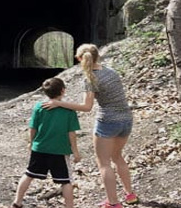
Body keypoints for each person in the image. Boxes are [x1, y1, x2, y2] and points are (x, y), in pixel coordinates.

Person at [43, 43, 139, 207]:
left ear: (80, 59)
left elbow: (87, 107)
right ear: (97, 56)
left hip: (107, 122)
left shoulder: (90, 78)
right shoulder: (111, 72)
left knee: (104, 163)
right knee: (117, 157)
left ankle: (113, 202)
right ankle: (130, 195)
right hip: (126, 119)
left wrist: (60, 103)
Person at [9, 77, 81, 208]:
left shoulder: (39, 107)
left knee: (29, 174)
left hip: (40, 148)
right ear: (63, 91)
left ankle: (17, 202)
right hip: (60, 151)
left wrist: (31, 142)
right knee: (66, 181)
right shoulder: (69, 111)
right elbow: (72, 133)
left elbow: (33, 128)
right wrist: (75, 151)